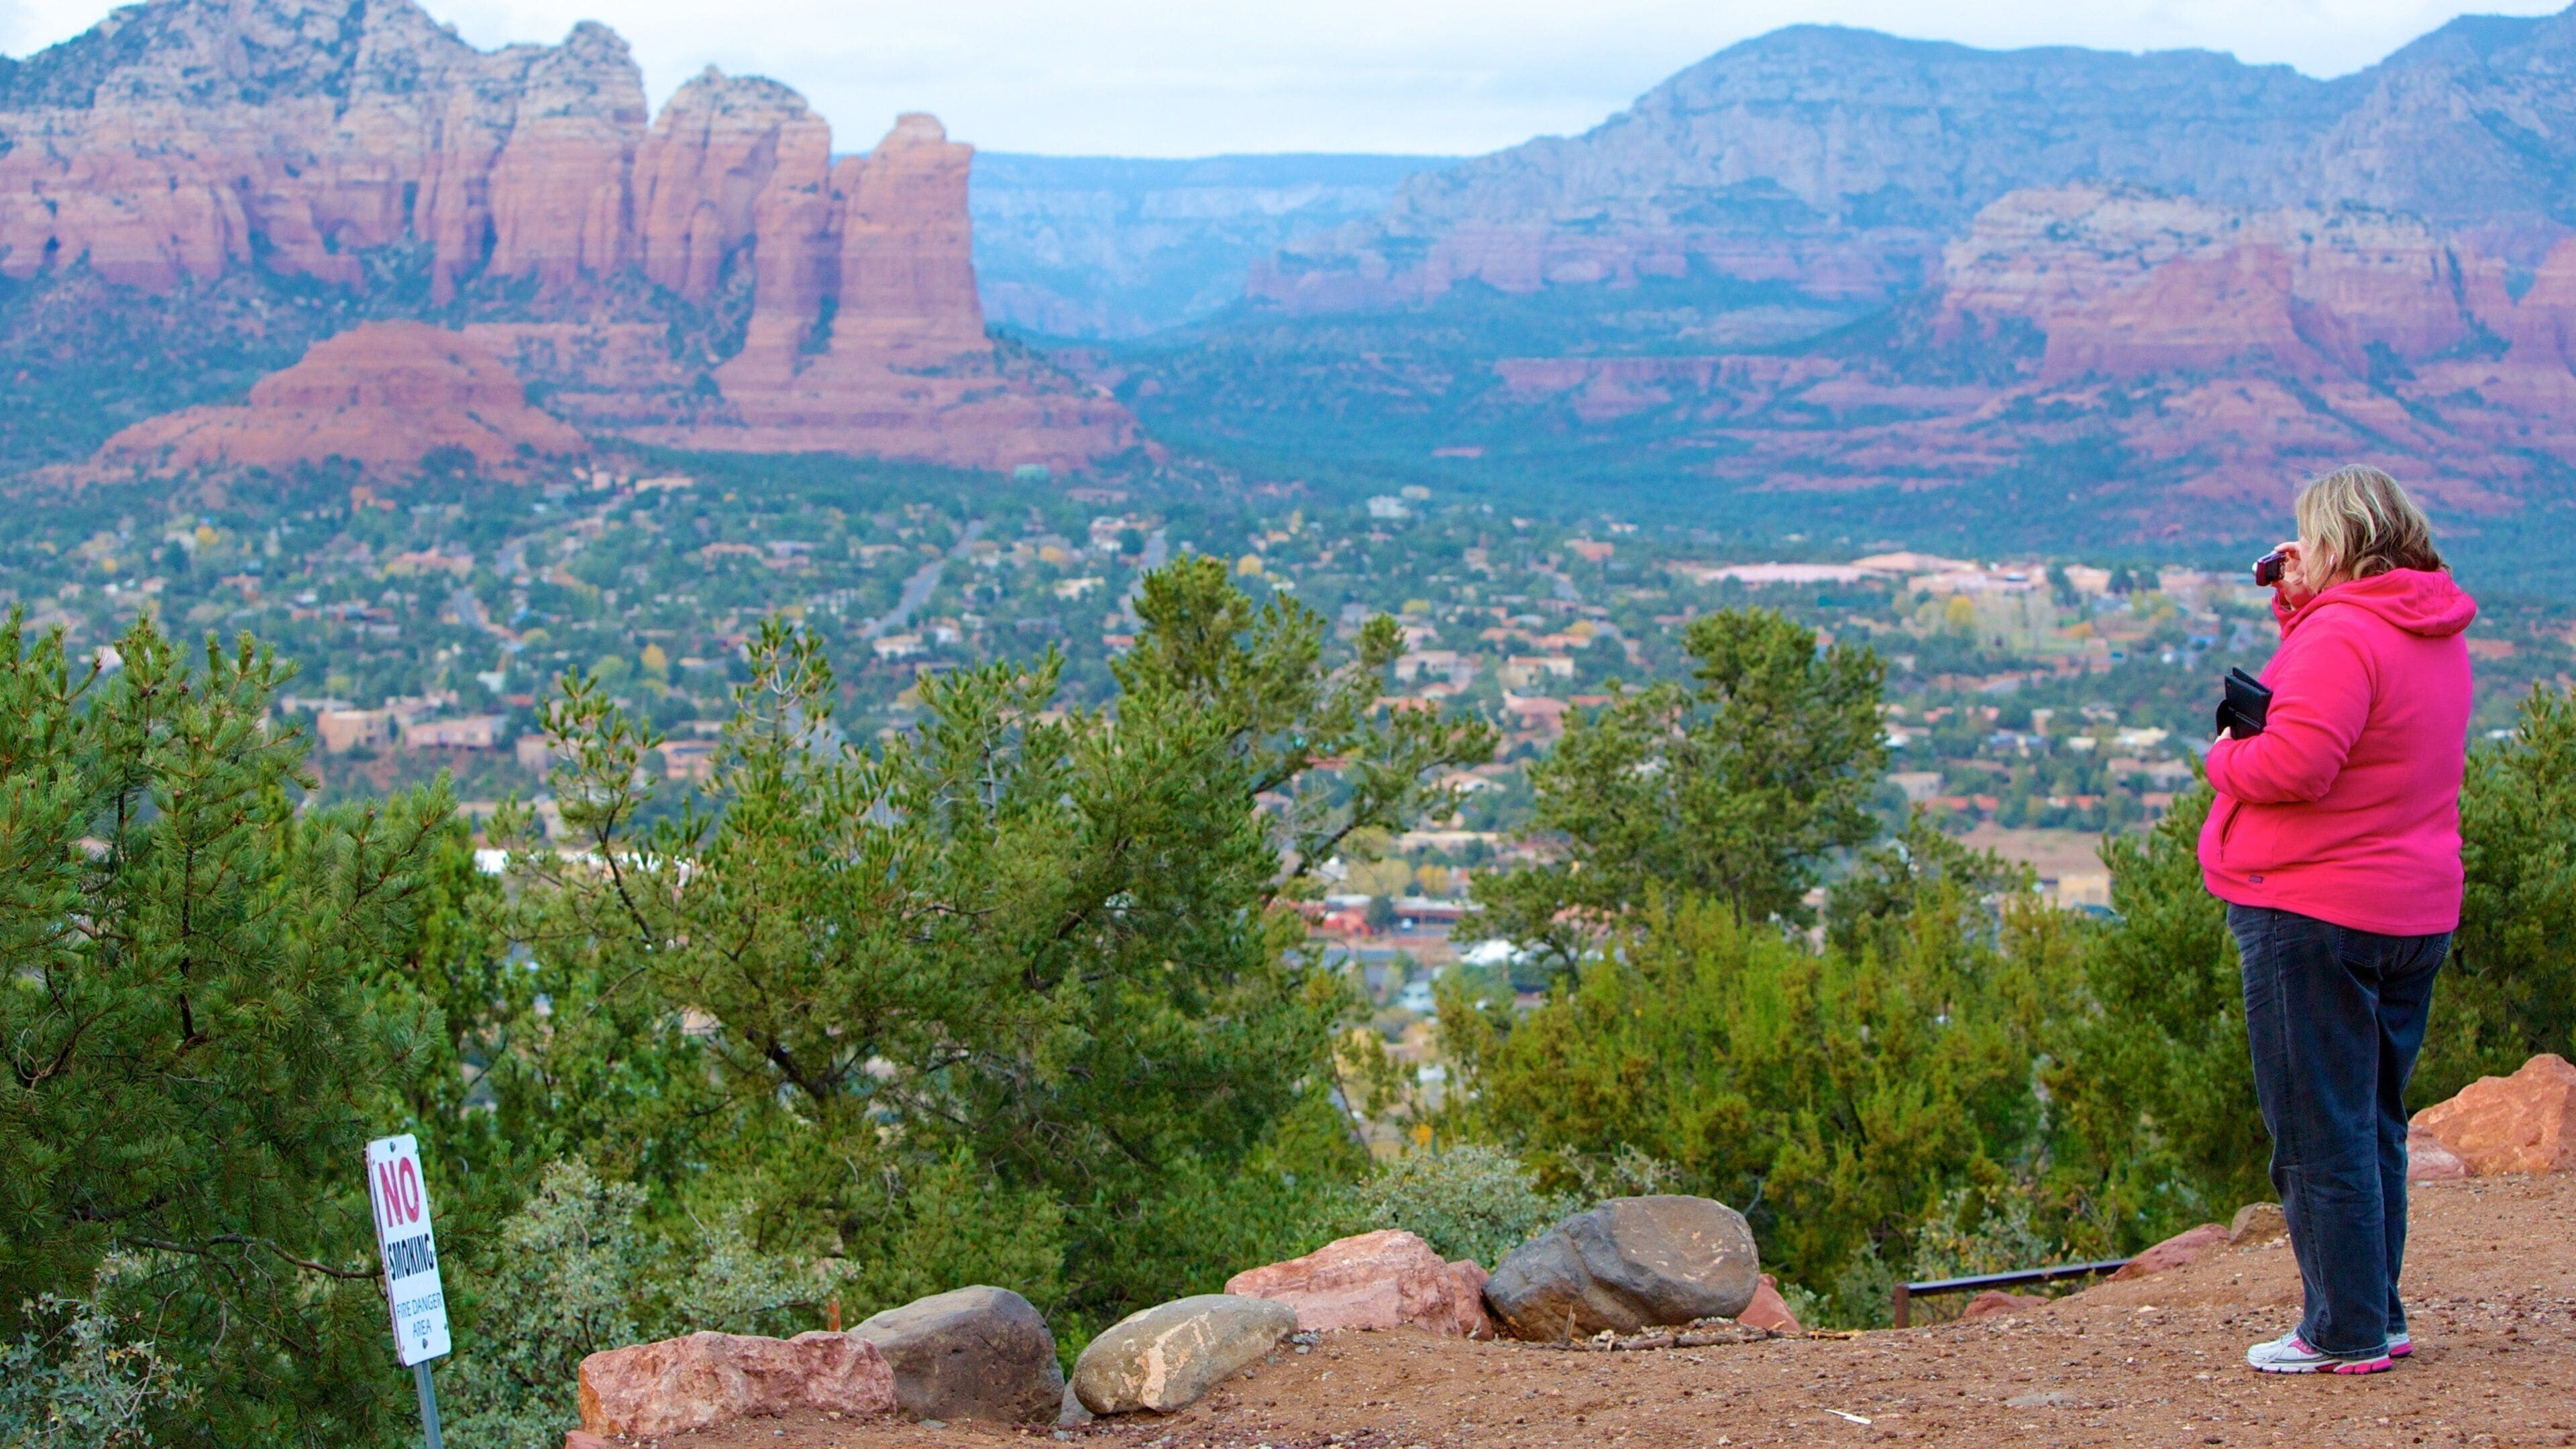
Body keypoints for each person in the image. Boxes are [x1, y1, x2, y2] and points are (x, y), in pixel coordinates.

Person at [2198, 464, 2477, 1375]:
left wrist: (2222, 759)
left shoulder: (2344, 637)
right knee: (2370, 1120)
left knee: (2318, 1131)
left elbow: (2297, 764)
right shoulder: (2426, 628)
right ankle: (2375, 1314)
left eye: (2310, 539)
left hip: (2312, 909)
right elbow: (2356, 716)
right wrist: (2300, 609)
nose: (2299, 554)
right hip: (2410, 910)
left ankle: (2342, 1330)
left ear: (2342, 541)